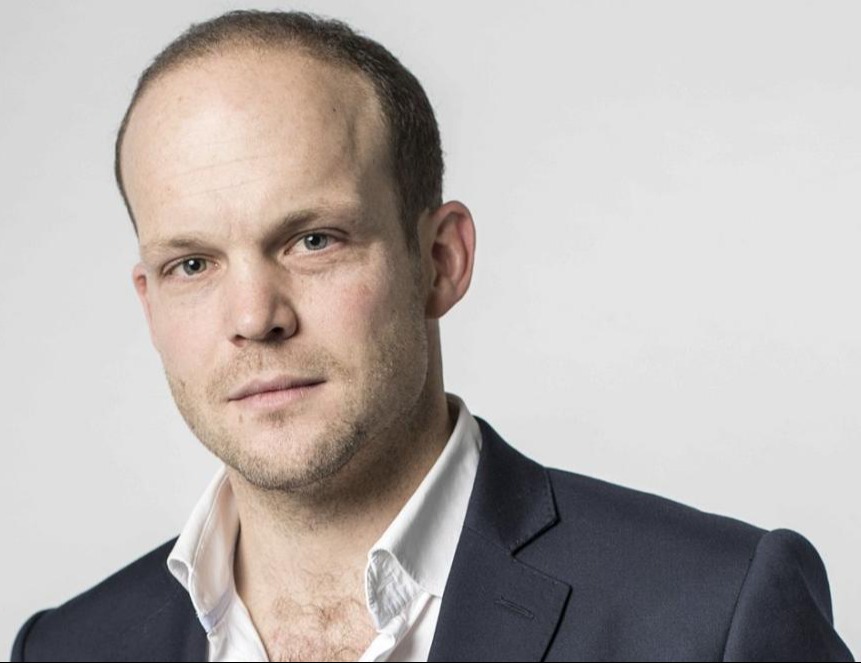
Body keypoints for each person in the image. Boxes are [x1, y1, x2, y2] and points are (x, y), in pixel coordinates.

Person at [10, 10, 853, 662]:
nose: (253, 316)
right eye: (192, 263)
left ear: (440, 260)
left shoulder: (710, 617)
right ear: (149, 301)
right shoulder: (66, 648)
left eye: (313, 240)